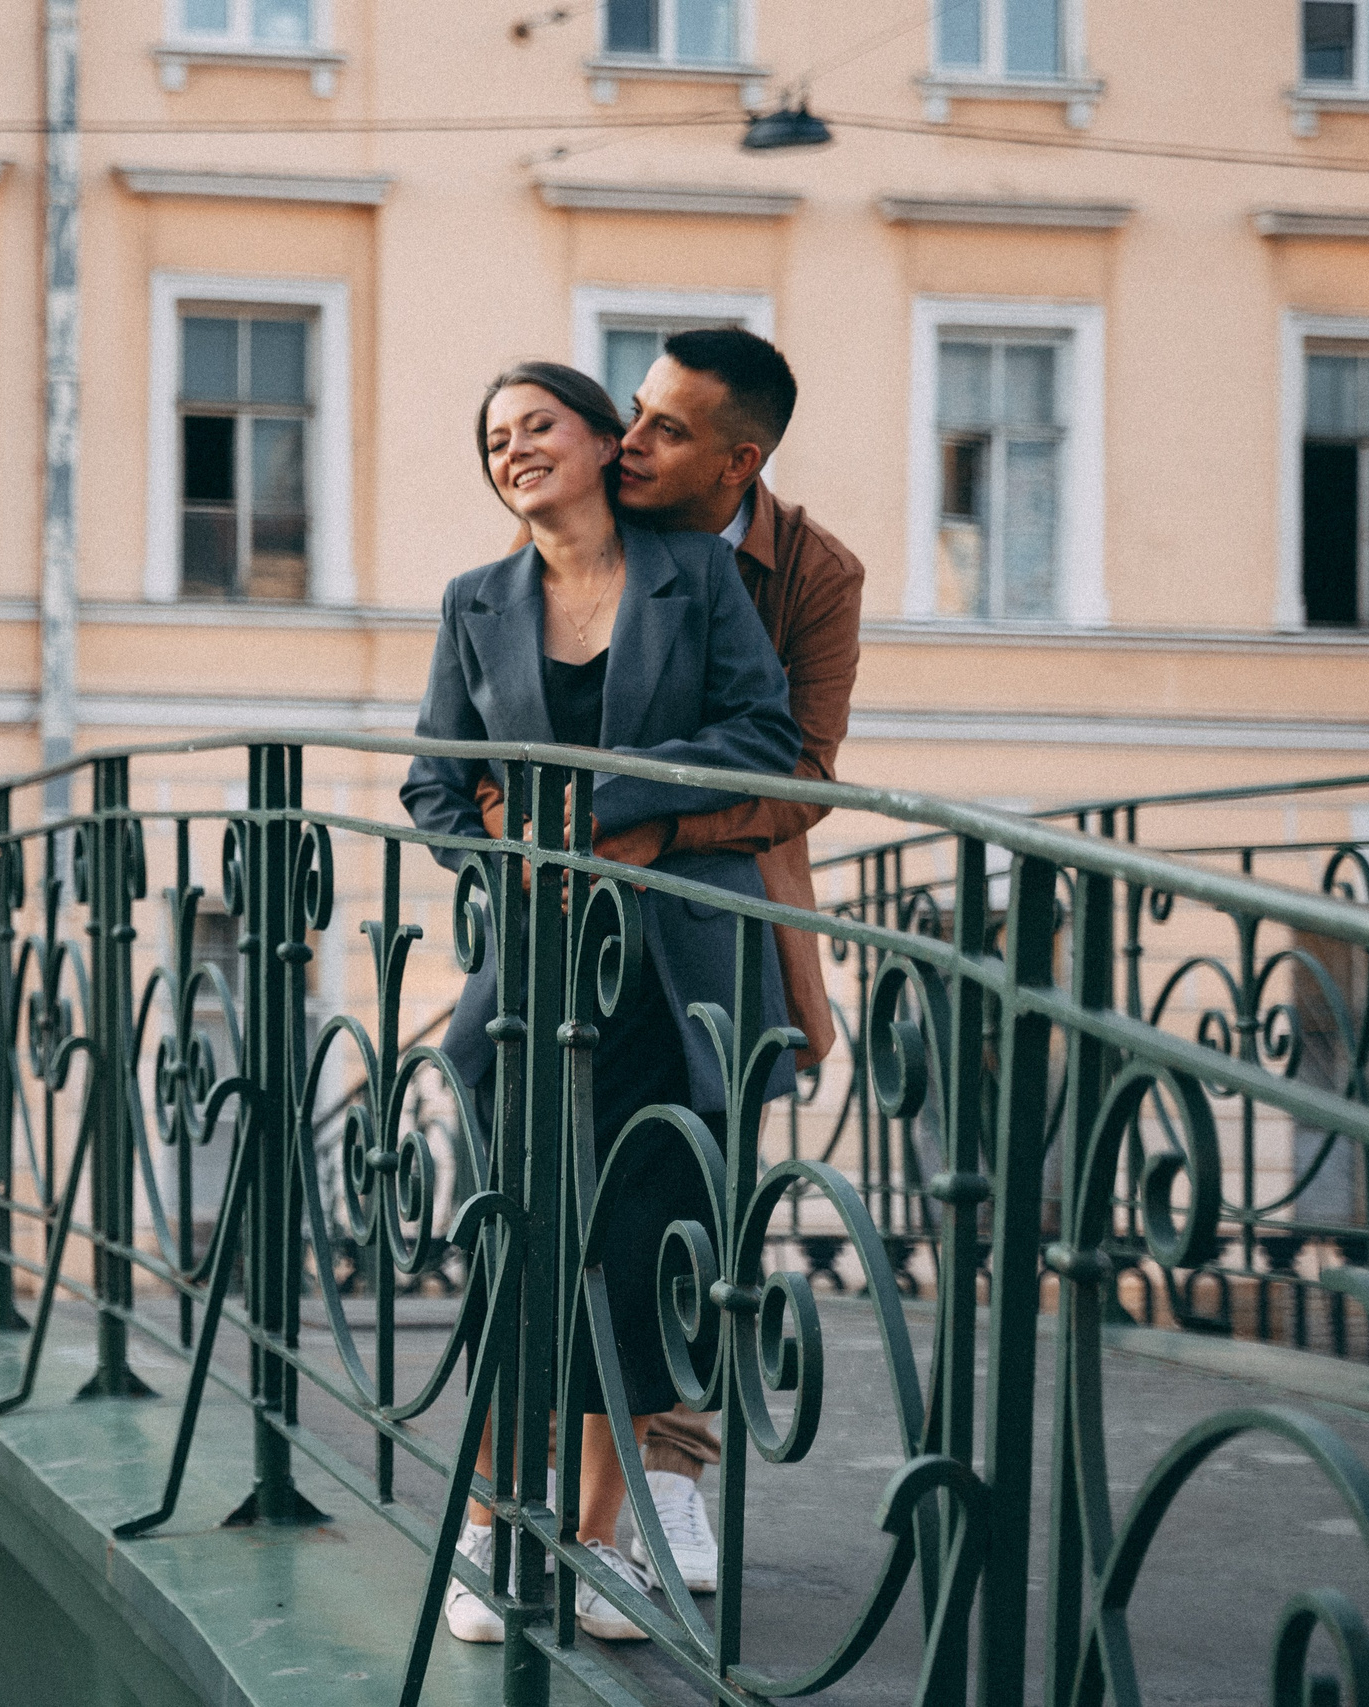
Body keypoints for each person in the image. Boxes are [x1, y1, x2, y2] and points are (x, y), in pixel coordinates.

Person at [403, 361, 800, 1642]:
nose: (512, 450)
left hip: (673, 968)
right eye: (492, 439)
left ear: (599, 440)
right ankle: (484, 1528)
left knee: (638, 1252)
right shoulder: (475, 602)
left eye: (536, 427)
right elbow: (435, 787)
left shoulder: (697, 583)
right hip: (538, 973)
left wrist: (592, 799)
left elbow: (760, 736)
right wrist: (510, 870)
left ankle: (594, 1542)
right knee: (522, 1242)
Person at [473, 328, 867, 1598]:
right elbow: (469, 758)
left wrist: (634, 827)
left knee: (682, 1197)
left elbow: (797, 773)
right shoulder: (559, 537)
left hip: (719, 901)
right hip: (564, 917)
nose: (632, 440)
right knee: (543, 1187)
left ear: (736, 459)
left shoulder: (804, 571)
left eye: (666, 430)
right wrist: (528, 839)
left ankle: (668, 1484)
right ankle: (518, 1499)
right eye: (631, 414)